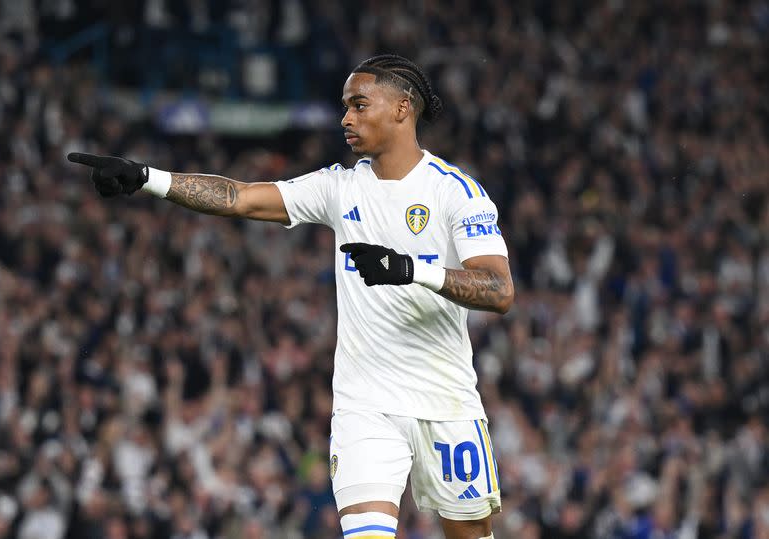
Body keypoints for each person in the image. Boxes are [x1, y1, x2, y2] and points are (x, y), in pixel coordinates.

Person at [68, 54, 514, 539]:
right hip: (364, 406)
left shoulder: (457, 193)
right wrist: (148, 178)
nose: (346, 118)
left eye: (360, 105)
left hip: (445, 403)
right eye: (345, 107)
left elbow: (498, 290)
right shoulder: (339, 188)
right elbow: (241, 197)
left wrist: (410, 269)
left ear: (403, 108)